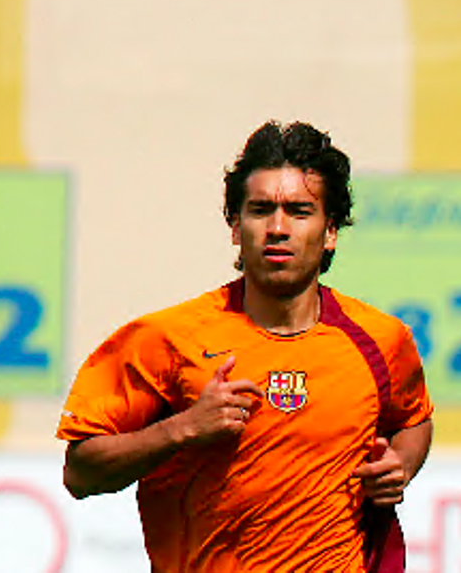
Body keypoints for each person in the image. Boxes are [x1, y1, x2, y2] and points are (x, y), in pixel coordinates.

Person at [57, 120, 434, 572]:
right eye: (259, 210)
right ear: (236, 227)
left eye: (299, 211)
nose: (277, 228)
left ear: (330, 231)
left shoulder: (380, 338)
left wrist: (400, 466)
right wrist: (183, 427)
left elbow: (413, 421)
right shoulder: (168, 338)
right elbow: (79, 473)